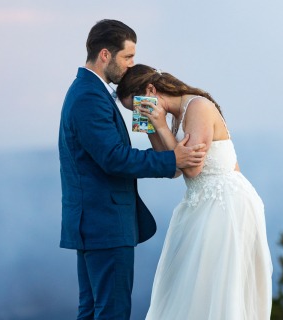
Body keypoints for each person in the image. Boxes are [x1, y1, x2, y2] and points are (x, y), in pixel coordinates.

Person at [58, 20, 206, 320]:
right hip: (105, 226)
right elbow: (113, 158)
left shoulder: (90, 91)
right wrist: (172, 161)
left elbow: (115, 149)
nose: (131, 65)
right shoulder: (89, 96)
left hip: (95, 225)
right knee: (111, 312)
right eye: (127, 57)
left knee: (92, 310)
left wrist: (151, 119)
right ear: (105, 55)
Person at [116, 64, 273, 319]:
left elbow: (191, 169)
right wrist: (153, 128)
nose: (137, 112)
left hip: (226, 204)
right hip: (200, 202)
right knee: (190, 285)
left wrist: (160, 125)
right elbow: (172, 166)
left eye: (137, 105)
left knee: (216, 285)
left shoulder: (197, 107)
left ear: (150, 90)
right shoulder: (174, 116)